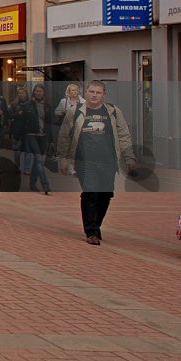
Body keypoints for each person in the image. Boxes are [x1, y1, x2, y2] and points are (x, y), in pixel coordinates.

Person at [58, 80, 136, 245]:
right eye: (91, 92)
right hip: (84, 161)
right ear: (86, 92)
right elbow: (64, 135)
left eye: (98, 92)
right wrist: (63, 159)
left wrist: (129, 157)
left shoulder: (113, 111)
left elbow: (123, 135)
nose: (94, 95)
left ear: (104, 95)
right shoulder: (75, 111)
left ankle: (96, 225)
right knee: (91, 192)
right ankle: (91, 231)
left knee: (105, 195)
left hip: (108, 161)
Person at [28, 84, 51, 194]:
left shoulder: (47, 106)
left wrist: (51, 140)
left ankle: (32, 184)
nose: (38, 93)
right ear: (34, 92)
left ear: (43, 93)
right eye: (36, 91)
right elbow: (23, 121)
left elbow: (50, 123)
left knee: (38, 161)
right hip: (32, 135)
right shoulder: (29, 105)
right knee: (38, 159)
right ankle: (45, 185)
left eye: (40, 91)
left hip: (44, 135)